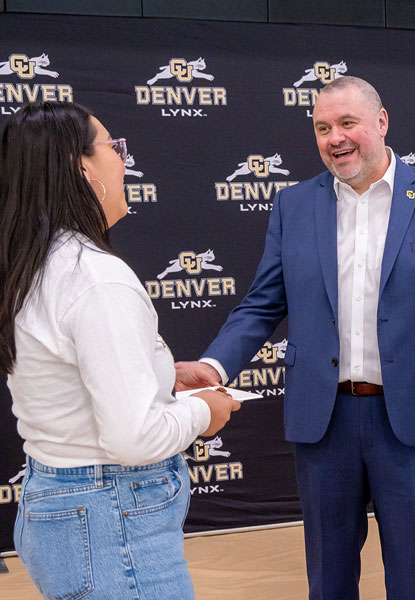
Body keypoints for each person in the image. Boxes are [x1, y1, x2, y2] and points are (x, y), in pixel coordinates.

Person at [175, 76, 415, 599]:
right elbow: (262, 303)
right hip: (324, 424)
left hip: (410, 419)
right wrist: (214, 368)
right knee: (328, 577)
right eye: (322, 128)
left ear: (381, 122)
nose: (335, 138)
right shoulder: (293, 205)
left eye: (347, 123)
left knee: (413, 573)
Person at [0, 101, 240, 599]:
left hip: (61, 506)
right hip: (112, 516)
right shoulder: (95, 276)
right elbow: (134, 438)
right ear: (80, 166)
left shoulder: (34, 264)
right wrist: (203, 411)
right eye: (113, 147)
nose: (124, 161)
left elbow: (69, 375)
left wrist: (161, 378)